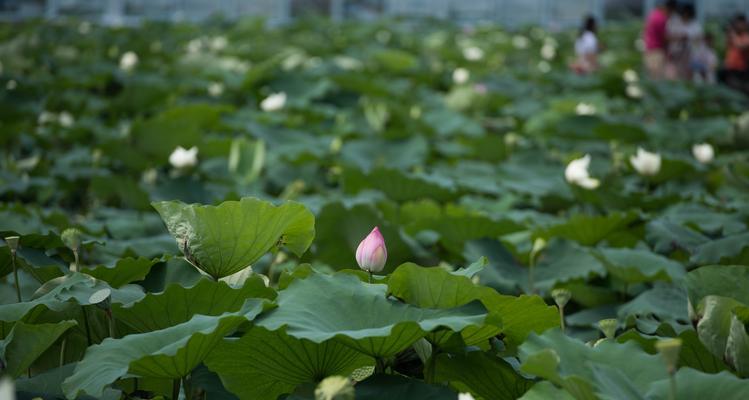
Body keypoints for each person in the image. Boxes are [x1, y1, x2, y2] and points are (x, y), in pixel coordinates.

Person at [665, 4, 702, 80]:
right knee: (673, 76)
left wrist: (689, 38)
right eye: (684, 14)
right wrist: (679, 38)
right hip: (675, 55)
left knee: (687, 77)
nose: (685, 17)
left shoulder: (695, 25)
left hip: (689, 56)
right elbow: (667, 37)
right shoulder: (674, 22)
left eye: (687, 15)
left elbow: (698, 39)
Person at [643, 0, 677, 79]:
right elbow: (664, 38)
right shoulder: (661, 18)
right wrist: (677, 38)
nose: (670, 15)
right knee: (657, 79)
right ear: (670, 9)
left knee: (651, 77)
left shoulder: (653, 14)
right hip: (656, 52)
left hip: (649, 50)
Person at [720, 15, 749, 93]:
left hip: (741, 72)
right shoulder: (734, 36)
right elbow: (725, 46)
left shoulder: (746, 36)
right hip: (730, 70)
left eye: (739, 23)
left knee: (739, 93)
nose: (738, 25)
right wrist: (728, 33)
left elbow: (740, 46)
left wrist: (732, 33)